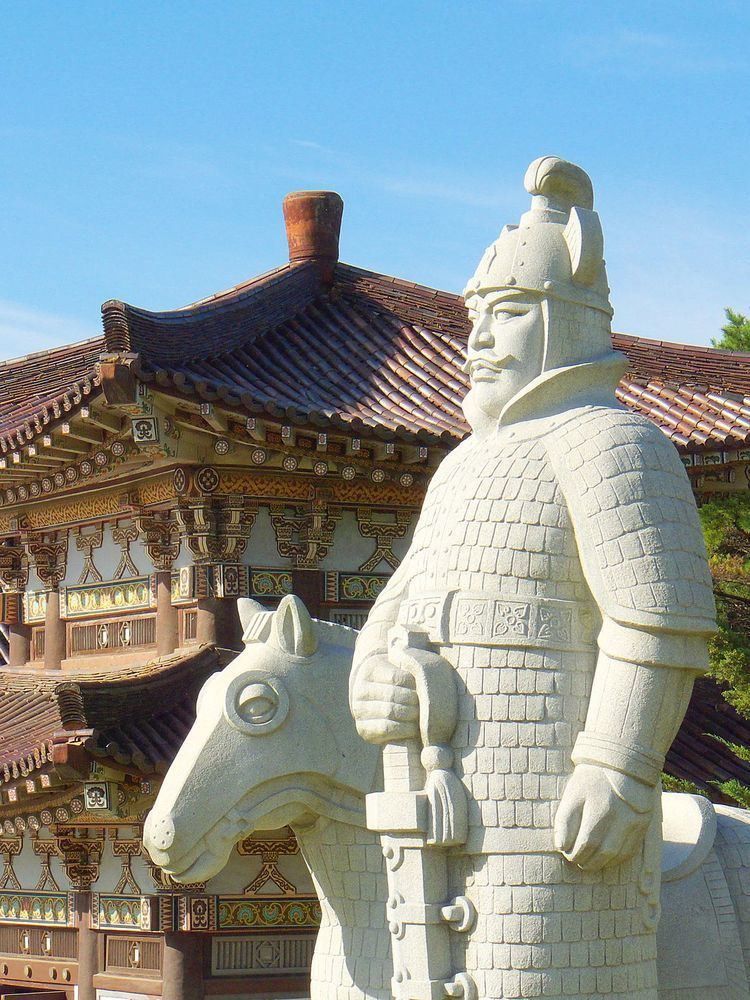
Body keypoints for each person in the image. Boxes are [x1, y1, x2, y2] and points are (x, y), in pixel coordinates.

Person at [350, 156, 716, 999]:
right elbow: (396, 604)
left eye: (508, 313)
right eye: (477, 316)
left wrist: (618, 765)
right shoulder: (460, 467)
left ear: (571, 318)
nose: (479, 339)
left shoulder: (613, 444)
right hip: (438, 802)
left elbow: (656, 624)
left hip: (554, 799)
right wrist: (372, 680)